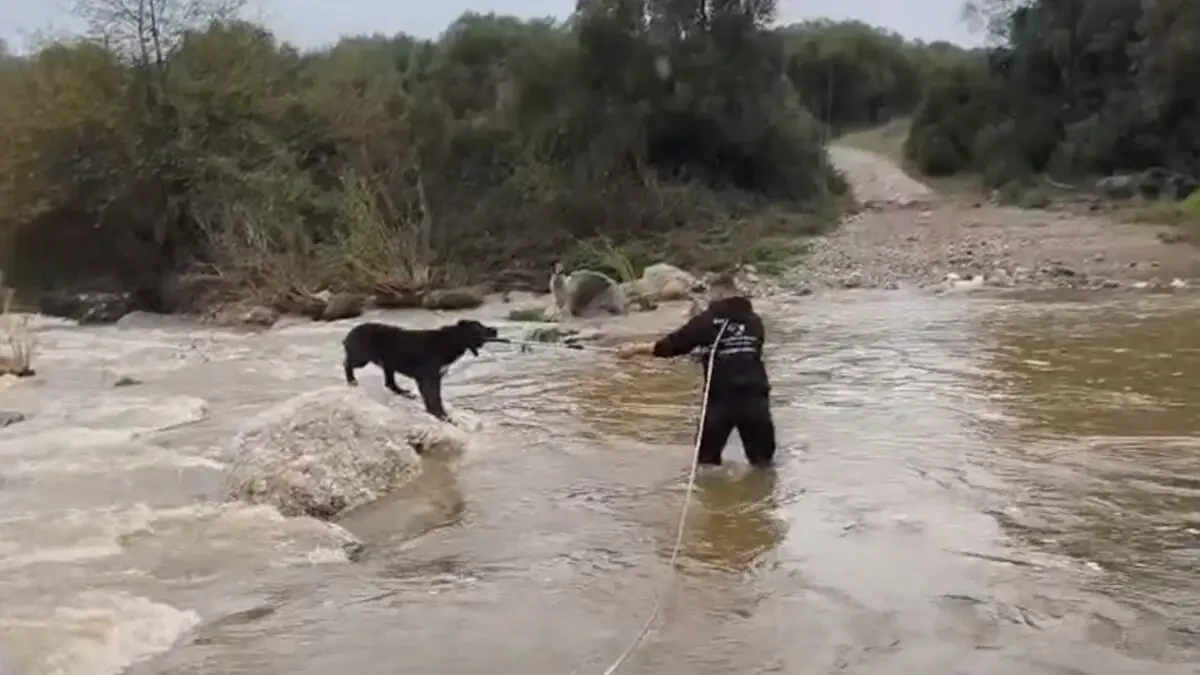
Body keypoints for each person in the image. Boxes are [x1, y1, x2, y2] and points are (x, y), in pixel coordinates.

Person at [615, 272, 776, 468]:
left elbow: (671, 345)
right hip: (756, 397)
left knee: (707, 463)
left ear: (717, 294)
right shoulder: (754, 322)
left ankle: (709, 496)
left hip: (722, 399)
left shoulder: (707, 321)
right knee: (762, 465)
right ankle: (763, 497)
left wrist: (635, 349)